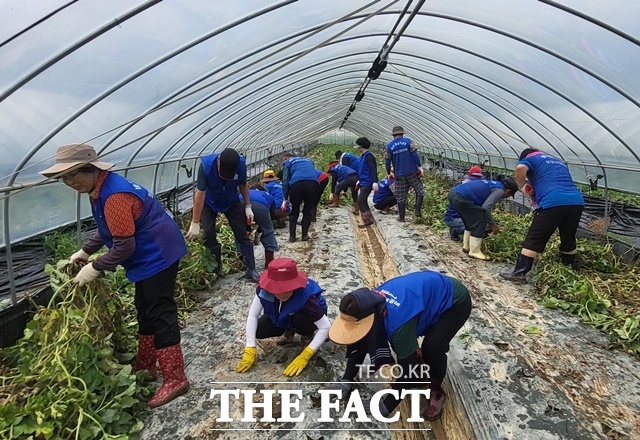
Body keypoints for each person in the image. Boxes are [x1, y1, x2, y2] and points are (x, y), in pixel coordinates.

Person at [40, 143, 189, 408]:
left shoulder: (115, 195)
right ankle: (147, 365)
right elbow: (112, 228)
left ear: (92, 169)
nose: (71, 181)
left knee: (160, 311)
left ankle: (176, 378)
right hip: (151, 253)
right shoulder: (100, 189)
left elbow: (124, 245)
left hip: (158, 254)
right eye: (65, 177)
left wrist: (94, 268)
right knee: (143, 307)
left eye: (75, 174)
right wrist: (85, 251)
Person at [328, 271, 472, 422]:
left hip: (454, 301)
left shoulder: (398, 324)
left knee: (433, 347)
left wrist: (385, 405)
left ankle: (436, 390)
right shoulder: (371, 303)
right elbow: (359, 342)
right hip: (425, 296)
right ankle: (421, 365)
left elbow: (408, 371)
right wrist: (346, 380)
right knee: (405, 348)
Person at [235, 258, 331, 376]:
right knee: (259, 330)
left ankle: (307, 336)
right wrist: (250, 347)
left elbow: (325, 327)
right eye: (277, 289)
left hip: (306, 317)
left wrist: (306, 355)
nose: (282, 293)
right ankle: (289, 329)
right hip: (283, 314)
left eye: (287, 288)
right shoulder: (264, 290)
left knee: (300, 319)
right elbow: (253, 315)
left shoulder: (306, 297)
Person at [501, 148, 585, 283]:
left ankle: (519, 273)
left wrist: (521, 185)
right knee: (568, 236)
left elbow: (521, 167)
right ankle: (568, 271)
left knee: (534, 238)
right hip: (576, 201)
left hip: (553, 200)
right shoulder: (558, 161)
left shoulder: (531, 159)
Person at [186, 147, 259, 282]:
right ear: (218, 161)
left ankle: (251, 269)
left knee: (242, 233)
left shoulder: (241, 165)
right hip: (209, 202)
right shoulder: (206, 166)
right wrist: (195, 222)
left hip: (231, 201)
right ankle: (215, 271)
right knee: (208, 234)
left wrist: (248, 206)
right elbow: (200, 194)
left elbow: (243, 185)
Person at [448, 176, 518, 260]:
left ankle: (466, 246)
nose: (506, 197)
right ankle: (474, 251)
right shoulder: (500, 190)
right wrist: (493, 225)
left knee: (471, 220)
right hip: (460, 197)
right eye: (509, 195)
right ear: (508, 191)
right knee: (480, 220)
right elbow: (486, 208)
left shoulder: (493, 184)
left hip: (454, 194)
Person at [385, 126, 425, 222]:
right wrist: (419, 167)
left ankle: (401, 217)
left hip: (399, 175)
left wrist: (388, 173)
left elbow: (387, 161)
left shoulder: (389, 146)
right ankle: (417, 211)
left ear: (394, 135)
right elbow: (415, 155)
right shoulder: (408, 142)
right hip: (412, 172)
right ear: (402, 134)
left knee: (401, 196)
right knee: (420, 191)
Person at [281, 153, 320, 242]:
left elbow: (285, 180)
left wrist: (285, 198)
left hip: (297, 184)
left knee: (294, 210)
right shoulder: (309, 160)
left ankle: (292, 237)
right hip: (313, 184)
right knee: (307, 210)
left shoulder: (287, 163)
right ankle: (304, 236)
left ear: (286, 158)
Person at [239, 188, 278, 269]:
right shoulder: (267, 195)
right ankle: (269, 261)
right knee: (268, 231)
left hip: (240, 203)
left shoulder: (246, 192)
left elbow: (246, 224)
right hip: (261, 205)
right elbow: (271, 218)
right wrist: (260, 231)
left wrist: (248, 229)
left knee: (239, 232)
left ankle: (242, 260)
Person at [445, 166, 485, 242]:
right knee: (473, 224)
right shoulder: (473, 189)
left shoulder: (463, 186)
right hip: (453, 218)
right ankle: (455, 231)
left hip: (455, 216)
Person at [354, 137, 379, 228]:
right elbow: (361, 169)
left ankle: (366, 220)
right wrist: (359, 180)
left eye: (359, 147)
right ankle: (368, 217)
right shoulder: (363, 156)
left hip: (368, 182)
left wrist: (375, 181)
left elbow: (373, 169)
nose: (358, 149)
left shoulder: (369, 156)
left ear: (361, 146)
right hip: (363, 181)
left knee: (360, 200)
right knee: (363, 200)